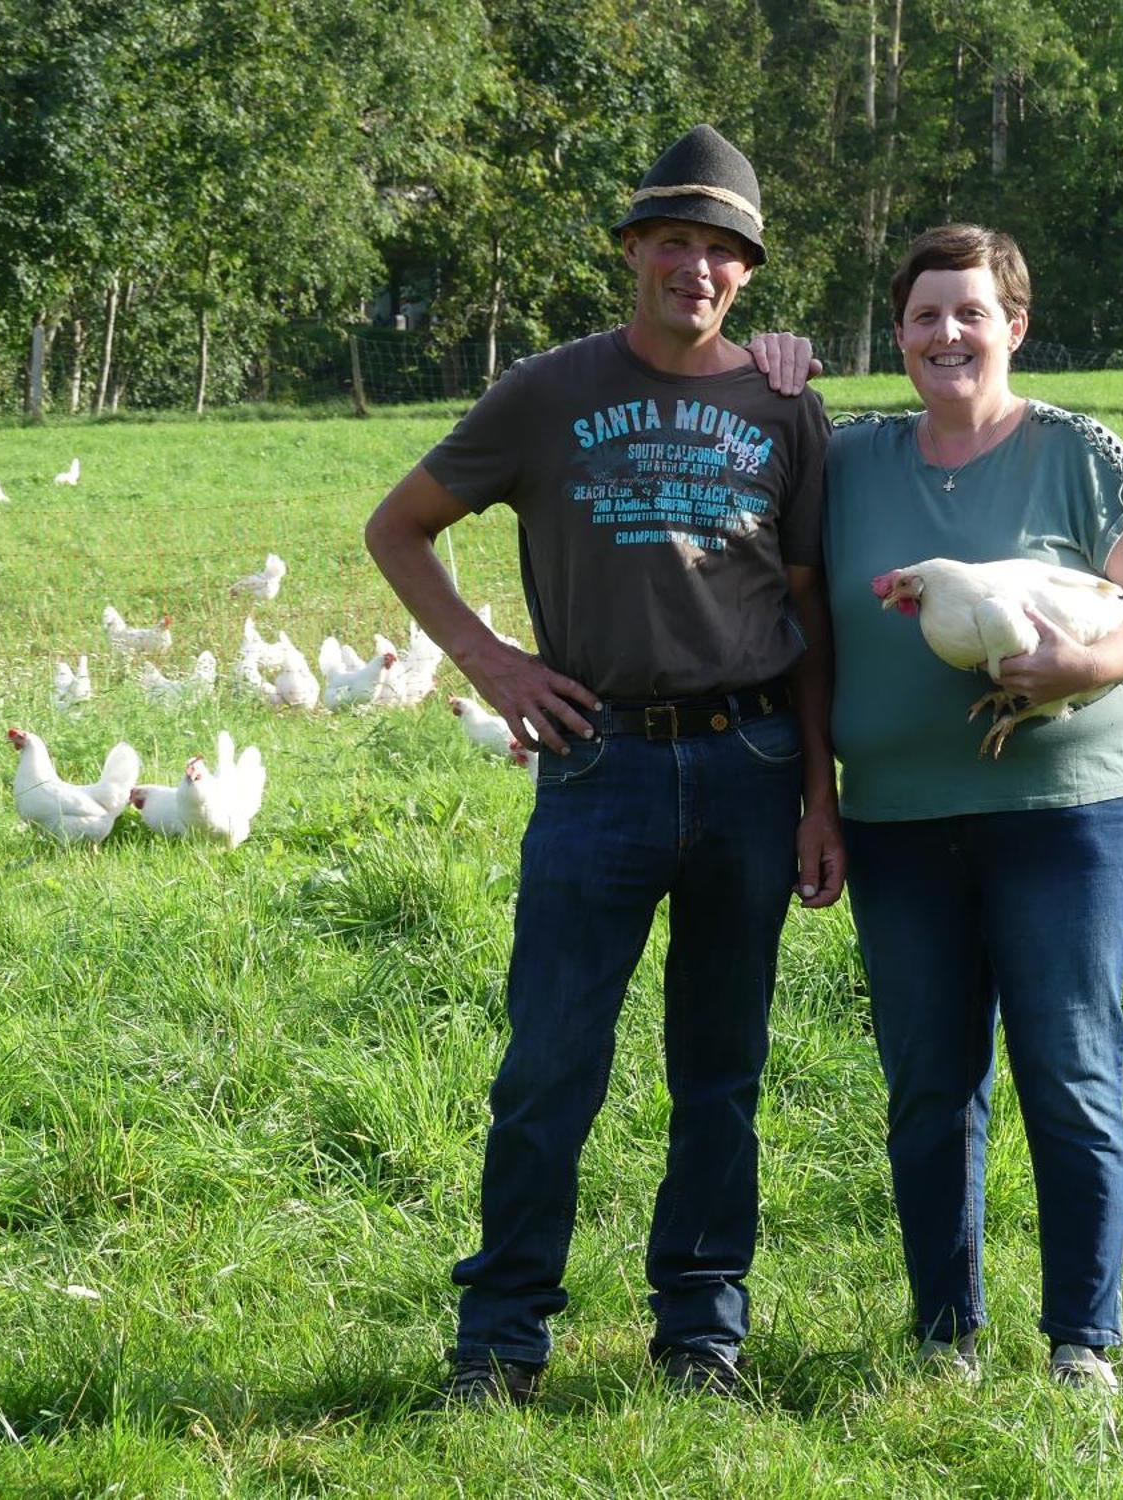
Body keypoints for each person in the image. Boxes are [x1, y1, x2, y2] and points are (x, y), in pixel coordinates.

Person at [363, 124, 843, 1407]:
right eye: (674, 241)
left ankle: (701, 1337)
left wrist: (815, 793)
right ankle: (500, 1342)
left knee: (720, 1072)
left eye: (722, 250)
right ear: (633, 251)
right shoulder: (544, 392)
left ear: (746, 273)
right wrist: (494, 665)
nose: (696, 267)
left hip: (745, 761)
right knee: (548, 1067)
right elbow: (398, 526)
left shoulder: (787, 405)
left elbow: (808, 612)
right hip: (599, 764)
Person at [821, 224, 1123, 1390]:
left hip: (1068, 814)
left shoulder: (1074, 452)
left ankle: (1079, 1341)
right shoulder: (849, 461)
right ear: (896, 335)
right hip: (895, 817)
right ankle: (946, 1334)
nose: (948, 334)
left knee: (1067, 1065)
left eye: (971, 312)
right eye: (925, 315)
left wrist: (1089, 671)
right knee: (929, 1081)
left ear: (1013, 327)